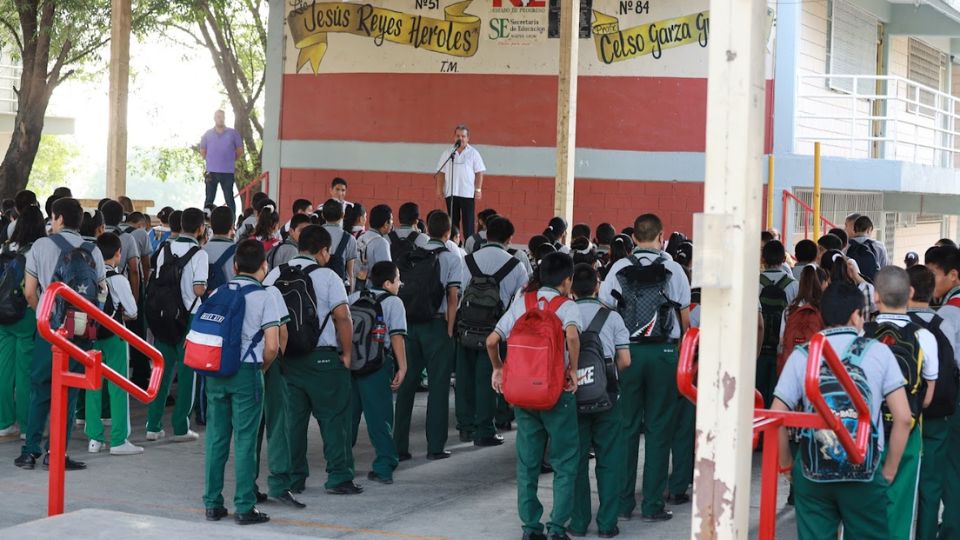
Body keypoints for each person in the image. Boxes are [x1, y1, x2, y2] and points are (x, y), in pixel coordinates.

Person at [772, 281, 912, 540]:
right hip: (865, 470)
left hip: (813, 471)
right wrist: (889, 471)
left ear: (823, 316)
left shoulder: (803, 355)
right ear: (856, 315)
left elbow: (777, 415)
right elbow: (903, 419)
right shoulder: (879, 352)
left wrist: (787, 465)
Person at [599, 214, 691, 522]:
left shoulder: (618, 269)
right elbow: (686, 320)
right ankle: (652, 504)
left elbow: (606, 314)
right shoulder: (674, 269)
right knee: (659, 429)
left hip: (627, 356)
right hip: (664, 354)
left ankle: (623, 504)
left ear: (634, 238)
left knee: (625, 428)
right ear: (661, 236)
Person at [487, 252, 582, 540]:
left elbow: (492, 340)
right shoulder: (567, 306)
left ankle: (530, 527)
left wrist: (499, 369)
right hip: (556, 392)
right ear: (567, 281)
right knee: (565, 461)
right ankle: (556, 528)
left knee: (527, 463)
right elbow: (574, 336)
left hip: (523, 394)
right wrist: (573, 369)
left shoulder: (522, 303)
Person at [263, 225, 360, 495]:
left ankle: (294, 478)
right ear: (324, 250)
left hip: (287, 360)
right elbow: (343, 316)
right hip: (323, 361)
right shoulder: (329, 276)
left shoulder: (275, 274)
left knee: (292, 422)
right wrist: (347, 353)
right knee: (334, 419)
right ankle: (339, 477)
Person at [15, 197, 107, 471]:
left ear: (58, 218)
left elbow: (29, 291)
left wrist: (44, 314)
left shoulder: (42, 246)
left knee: (40, 389)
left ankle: (29, 451)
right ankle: (56, 453)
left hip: (49, 331)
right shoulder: (94, 250)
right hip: (79, 332)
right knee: (68, 392)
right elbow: (101, 292)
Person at [201, 239, 280, 526]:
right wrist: (262, 369)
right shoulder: (265, 296)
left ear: (234, 266)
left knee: (216, 438)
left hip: (216, 371)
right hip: (247, 372)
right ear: (264, 265)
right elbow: (272, 345)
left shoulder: (219, 290)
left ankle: (212, 503)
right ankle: (245, 506)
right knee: (246, 441)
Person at [865, 266, 937, 539]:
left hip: (864, 433)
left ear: (875, 296)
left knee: (860, 506)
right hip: (907, 433)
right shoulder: (925, 337)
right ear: (910, 293)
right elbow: (927, 398)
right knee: (900, 506)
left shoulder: (863, 334)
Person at [393, 212, 462, 461]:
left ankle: (399, 446)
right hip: (437, 325)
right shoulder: (452, 259)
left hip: (410, 325)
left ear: (427, 230)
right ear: (447, 233)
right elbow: (453, 297)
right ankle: (435, 446)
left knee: (406, 386)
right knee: (439, 387)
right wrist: (450, 329)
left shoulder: (413, 255)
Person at [569, 263, 631, 538]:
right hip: (607, 397)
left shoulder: (563, 315)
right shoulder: (613, 317)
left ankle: (579, 522)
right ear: (597, 285)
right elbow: (625, 360)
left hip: (572, 396)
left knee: (577, 461)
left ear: (571, 287)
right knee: (609, 460)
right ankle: (607, 524)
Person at [455, 216, 527, 447]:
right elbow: (520, 303)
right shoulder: (516, 266)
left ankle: (465, 427)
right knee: (490, 379)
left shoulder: (467, 260)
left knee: (464, 378)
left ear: (486, 235)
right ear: (509, 239)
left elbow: (457, 295)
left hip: (465, 328)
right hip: (496, 332)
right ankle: (484, 430)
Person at [146, 207, 208, 443]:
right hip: (188, 319)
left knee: (161, 370)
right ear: (201, 228)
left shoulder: (164, 248)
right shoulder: (199, 254)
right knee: (187, 373)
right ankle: (181, 427)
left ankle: (153, 425)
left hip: (163, 316)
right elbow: (198, 289)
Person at [906, 264, 958, 540]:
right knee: (932, 482)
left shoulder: (893, 323)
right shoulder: (943, 324)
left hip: (898, 416)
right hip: (937, 415)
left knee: (899, 482)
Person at [348, 261, 408, 484]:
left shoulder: (354, 298)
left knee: (349, 418)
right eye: (398, 279)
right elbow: (397, 336)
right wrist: (403, 367)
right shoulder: (393, 302)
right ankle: (384, 466)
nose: (400, 283)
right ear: (387, 283)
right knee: (380, 418)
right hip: (377, 365)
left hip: (352, 365)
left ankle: (343, 466)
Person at [85, 232, 142, 456]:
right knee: (118, 387)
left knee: (92, 387)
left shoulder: (90, 276)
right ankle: (118, 439)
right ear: (118, 254)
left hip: (91, 337)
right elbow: (133, 312)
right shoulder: (119, 279)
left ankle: (94, 439)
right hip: (115, 337)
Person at [923, 245, 960, 538]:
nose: (928, 280)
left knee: (950, 468)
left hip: (954, 398)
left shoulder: (950, 311)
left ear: (953, 275)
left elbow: (945, 364)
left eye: (933, 274)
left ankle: (950, 530)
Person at [0, 206, 45, 438]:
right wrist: (40, 313)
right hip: (26, 314)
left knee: (4, 369)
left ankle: (4, 422)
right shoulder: (36, 250)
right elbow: (31, 292)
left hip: (3, 313)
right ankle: (27, 427)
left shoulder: (6, 246)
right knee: (25, 371)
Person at [758, 240, 798, 406]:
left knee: (756, 396)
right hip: (781, 350)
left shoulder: (753, 282)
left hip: (757, 349)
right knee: (778, 396)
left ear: (763, 259)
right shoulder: (794, 285)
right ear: (784, 259)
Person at [435, 124, 486, 237]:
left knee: (468, 223)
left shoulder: (473, 153)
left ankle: (469, 246)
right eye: (458, 136)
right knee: (452, 222)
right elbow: (441, 172)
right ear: (454, 137)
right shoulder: (448, 153)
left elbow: (479, 173)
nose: (460, 138)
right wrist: (439, 189)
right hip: (451, 193)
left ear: (468, 138)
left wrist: (478, 189)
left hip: (467, 193)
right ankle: (455, 246)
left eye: (463, 136)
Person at [200, 109, 244, 215]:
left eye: (222, 117)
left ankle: (231, 224)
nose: (221, 119)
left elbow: (240, 150)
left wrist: (229, 160)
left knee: (229, 198)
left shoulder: (233, 133)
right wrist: (213, 161)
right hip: (211, 172)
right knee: (209, 199)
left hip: (227, 172)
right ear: (215, 118)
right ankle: (205, 222)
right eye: (218, 117)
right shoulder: (207, 134)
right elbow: (202, 151)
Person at [321, 199, 359, 293]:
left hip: (316, 285)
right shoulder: (349, 238)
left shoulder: (313, 234)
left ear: (322, 215)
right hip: (338, 289)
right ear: (343, 215)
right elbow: (350, 273)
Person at [357, 204, 393, 288]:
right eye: (391, 220)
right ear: (385, 224)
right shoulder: (381, 243)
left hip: (358, 285)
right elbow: (387, 272)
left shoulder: (361, 237)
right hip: (373, 289)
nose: (392, 223)